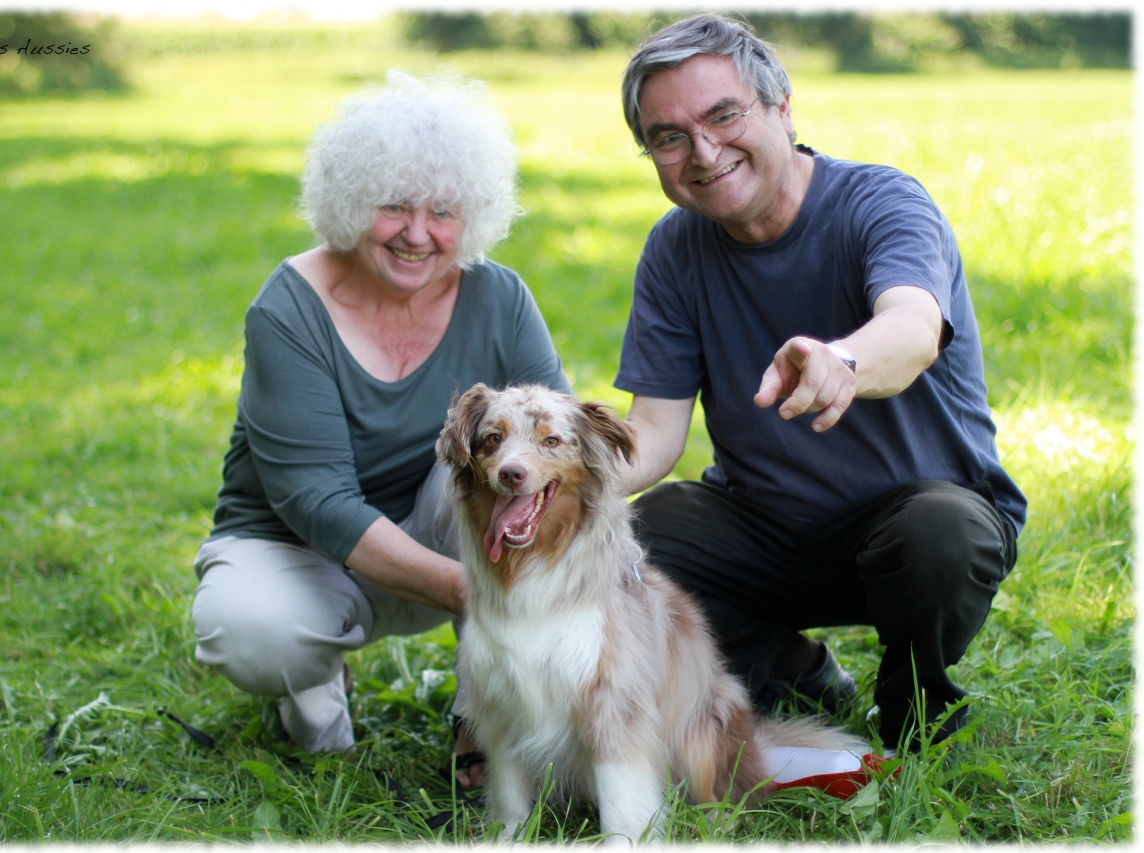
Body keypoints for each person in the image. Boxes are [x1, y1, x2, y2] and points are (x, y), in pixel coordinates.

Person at [612, 14, 1025, 752]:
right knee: (638, 537)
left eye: (723, 114)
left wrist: (845, 360)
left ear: (781, 106)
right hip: (770, 529)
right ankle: (791, 666)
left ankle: (916, 699)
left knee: (942, 533)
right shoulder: (674, 249)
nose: (703, 152)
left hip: (914, 521)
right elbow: (653, 433)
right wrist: (557, 479)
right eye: (669, 136)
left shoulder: (880, 202)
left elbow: (913, 326)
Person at [191, 71, 569, 772]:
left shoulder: (500, 296)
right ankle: (312, 685)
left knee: (514, 474)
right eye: (393, 206)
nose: (418, 234)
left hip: (443, 530)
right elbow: (317, 501)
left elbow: (556, 449)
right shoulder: (288, 308)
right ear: (350, 200)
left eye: (444, 212)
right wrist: (480, 593)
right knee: (250, 632)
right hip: (299, 547)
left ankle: (483, 722)